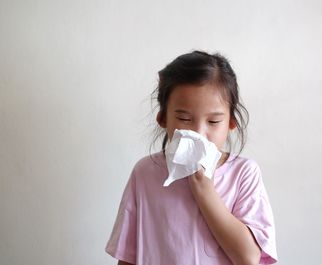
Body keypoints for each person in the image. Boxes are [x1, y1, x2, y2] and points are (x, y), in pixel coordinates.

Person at [105, 50, 278, 265]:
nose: (198, 133)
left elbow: (249, 258)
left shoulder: (243, 174)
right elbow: (128, 256)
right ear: (163, 118)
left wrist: (204, 189)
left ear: (231, 123)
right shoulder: (145, 173)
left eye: (213, 122)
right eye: (184, 118)